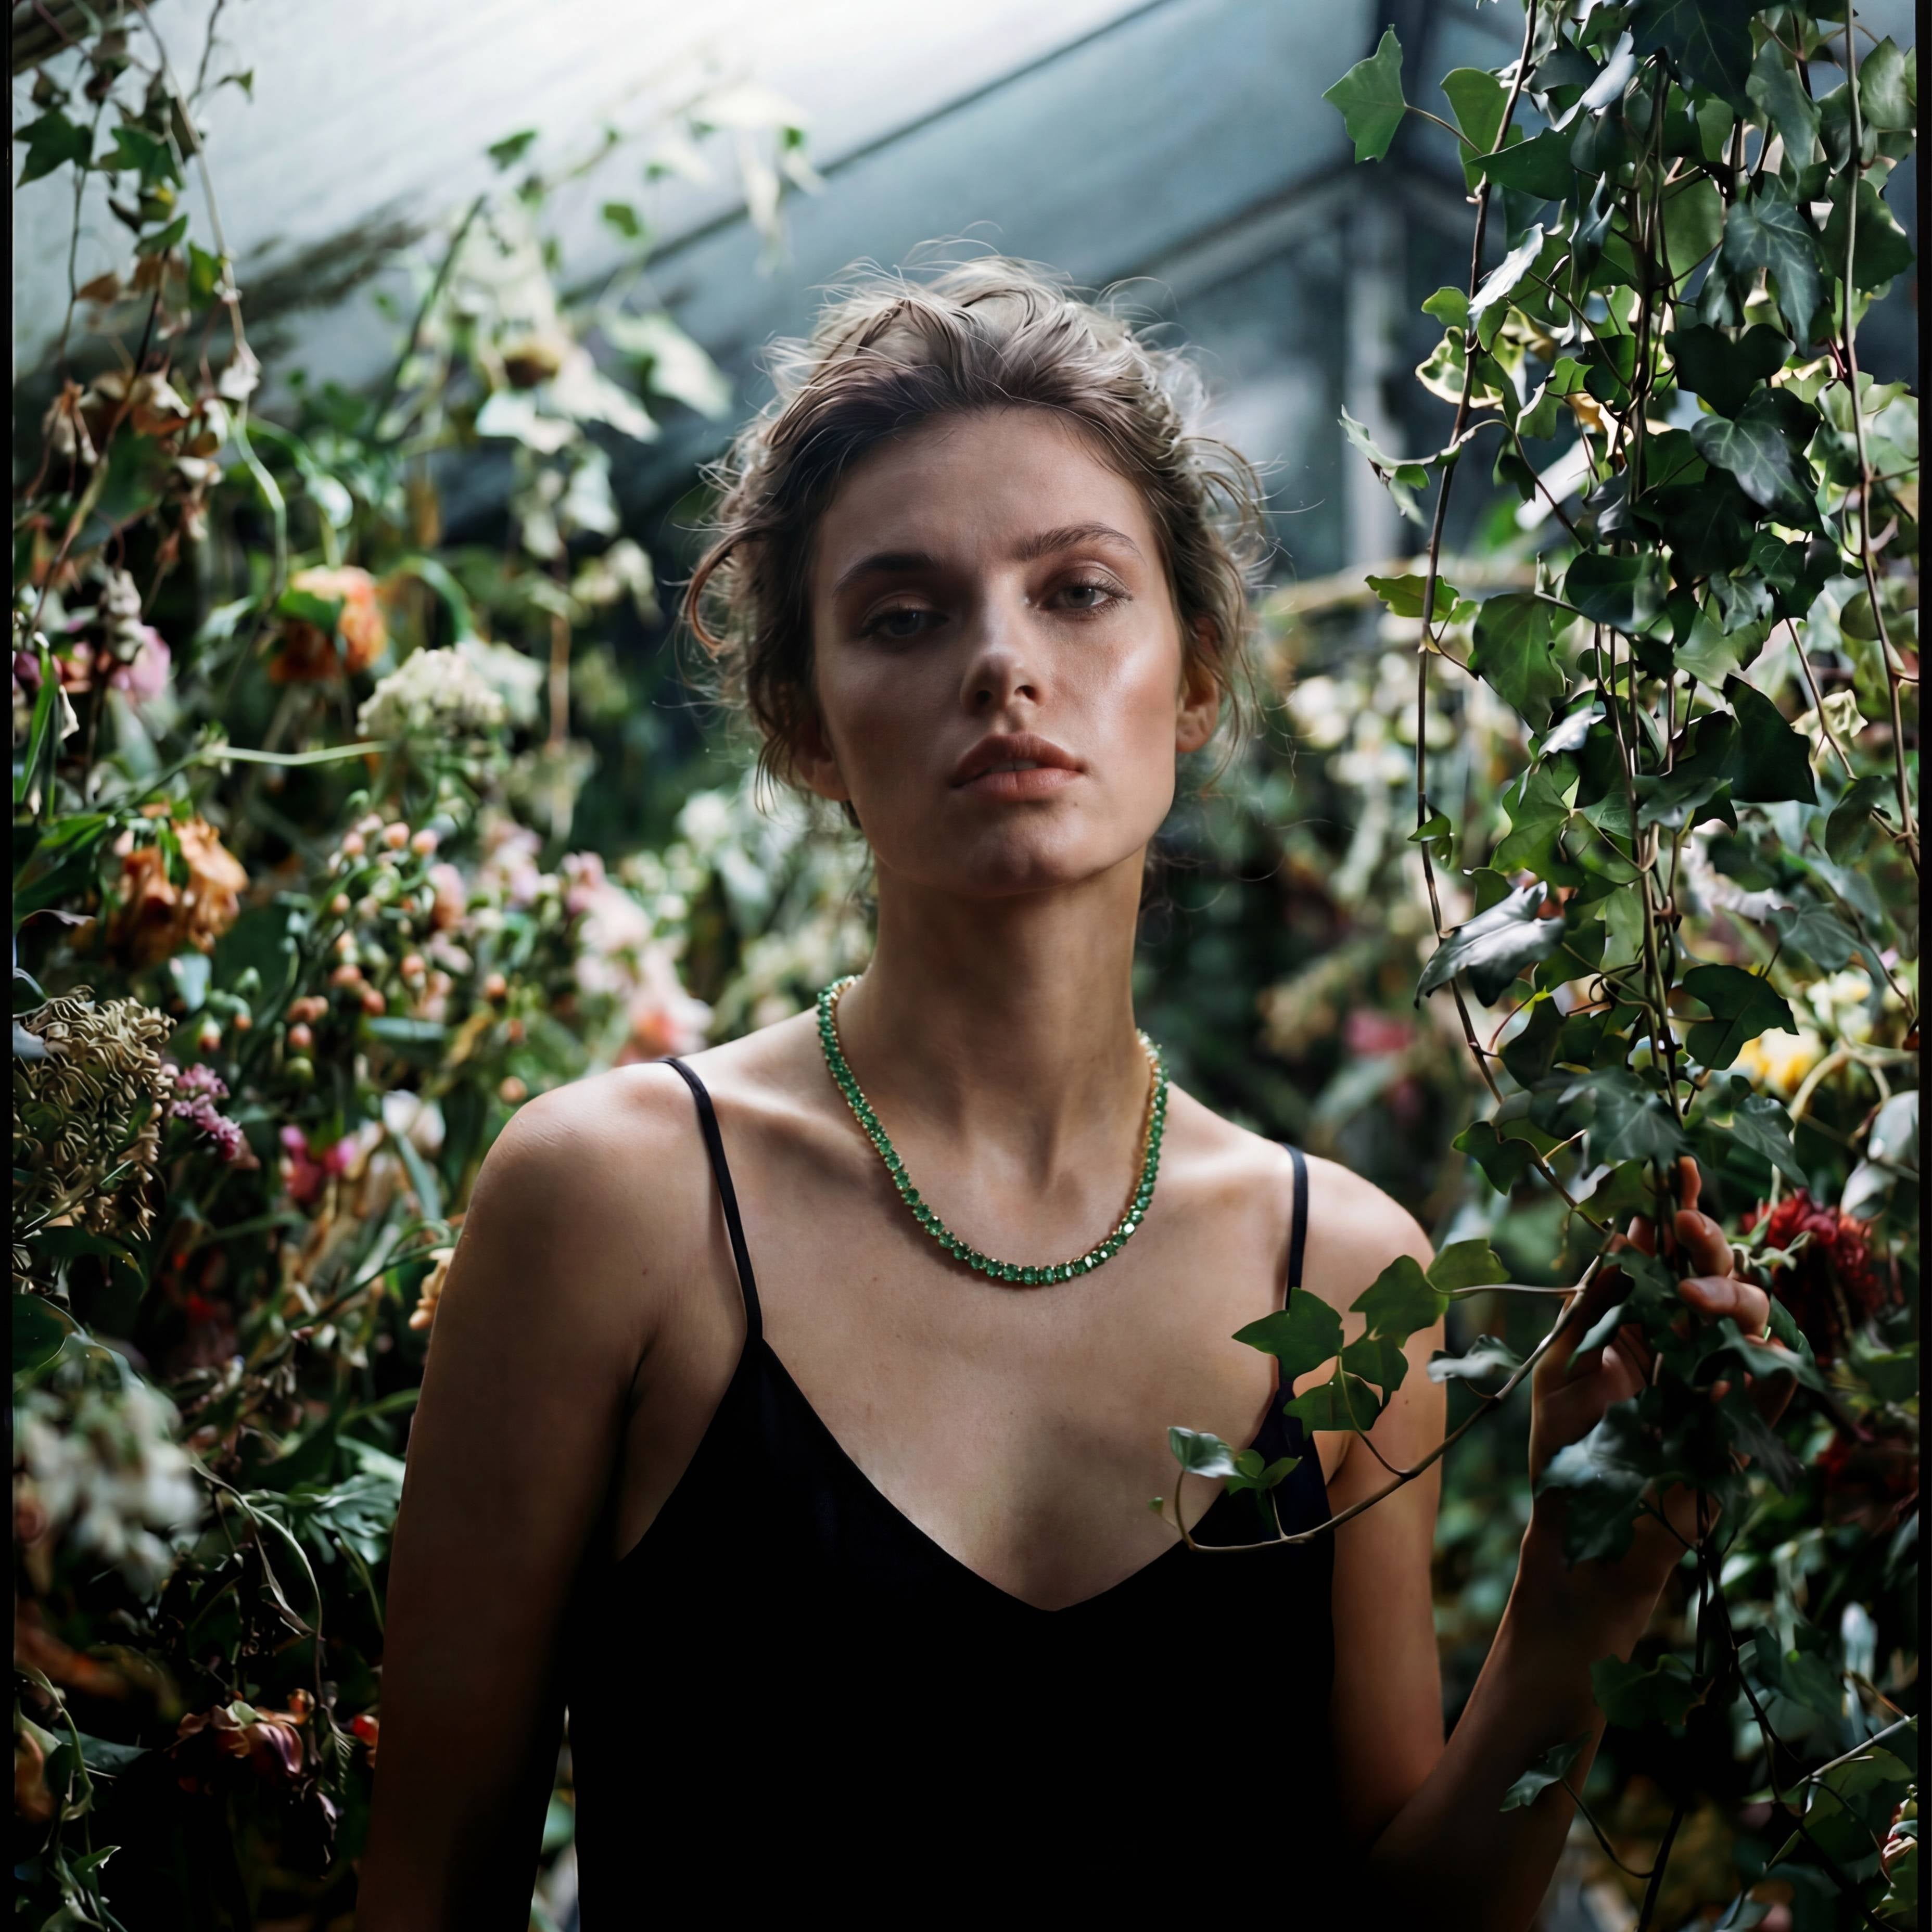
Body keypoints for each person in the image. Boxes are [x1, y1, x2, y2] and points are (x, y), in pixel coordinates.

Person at [357, 262, 1782, 1928]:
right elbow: (426, 1901)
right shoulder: (617, 1204)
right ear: (808, 723)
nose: (1000, 665)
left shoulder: (1338, 1275)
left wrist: (1570, 1625)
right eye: (903, 613)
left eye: (1080, 592)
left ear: (1192, 674)